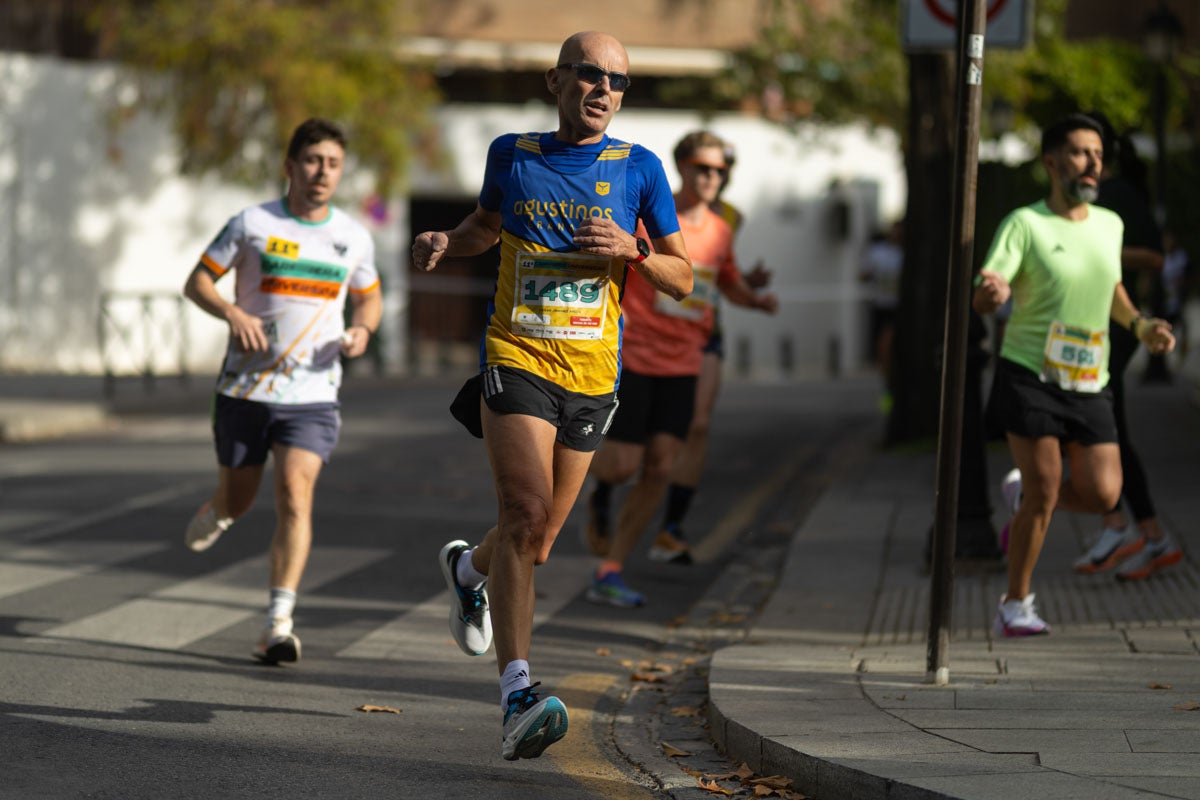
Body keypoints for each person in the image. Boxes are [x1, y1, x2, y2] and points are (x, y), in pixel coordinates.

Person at [412, 32, 692, 761]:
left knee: (533, 546)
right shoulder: (514, 154)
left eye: (619, 81)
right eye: (590, 74)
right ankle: (517, 696)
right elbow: (484, 226)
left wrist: (634, 252)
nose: (604, 89)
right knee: (524, 511)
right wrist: (448, 240)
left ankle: (467, 570)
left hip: (595, 375)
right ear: (556, 81)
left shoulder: (640, 169)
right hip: (517, 354)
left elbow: (685, 277)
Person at [181, 118, 383, 664]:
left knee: (296, 496)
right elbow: (197, 280)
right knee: (242, 500)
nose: (323, 173)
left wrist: (362, 329)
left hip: (313, 394)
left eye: (334, 164)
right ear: (290, 166)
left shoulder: (353, 236)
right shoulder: (250, 223)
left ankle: (278, 623)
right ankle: (221, 507)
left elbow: (368, 298)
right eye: (314, 161)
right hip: (245, 390)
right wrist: (231, 311)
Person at [973, 113, 1175, 637]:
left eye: (1099, 155)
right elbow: (990, 281)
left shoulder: (1110, 224)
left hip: (1090, 379)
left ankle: (1024, 495)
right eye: (1081, 152)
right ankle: (1015, 604)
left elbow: (1110, 288)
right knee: (1044, 493)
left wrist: (1142, 324)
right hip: (1030, 374)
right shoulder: (1026, 223)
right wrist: (990, 292)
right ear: (1051, 161)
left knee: (1106, 495)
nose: (1092, 164)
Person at [582, 131, 778, 606]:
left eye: (720, 171)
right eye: (703, 168)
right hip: (637, 356)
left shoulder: (721, 229)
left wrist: (755, 300)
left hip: (684, 362)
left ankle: (611, 569)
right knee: (626, 462)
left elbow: (721, 281)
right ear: (682, 167)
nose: (713, 177)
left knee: (661, 466)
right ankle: (600, 489)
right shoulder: (651, 215)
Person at [1071, 116, 1182, 581]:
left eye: (1088, 149)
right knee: (1103, 431)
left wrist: (1101, 250)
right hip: (1083, 330)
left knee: (1099, 430)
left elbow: (1155, 257)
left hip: (1112, 330)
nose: (1083, 159)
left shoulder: (1118, 199)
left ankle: (1125, 526)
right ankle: (1146, 534)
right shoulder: (1079, 201)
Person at [859, 220, 904, 410]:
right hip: (882, 306)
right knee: (883, 350)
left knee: (891, 346)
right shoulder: (878, 252)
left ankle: (893, 389)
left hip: (898, 308)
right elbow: (862, 274)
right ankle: (888, 389)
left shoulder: (906, 253)